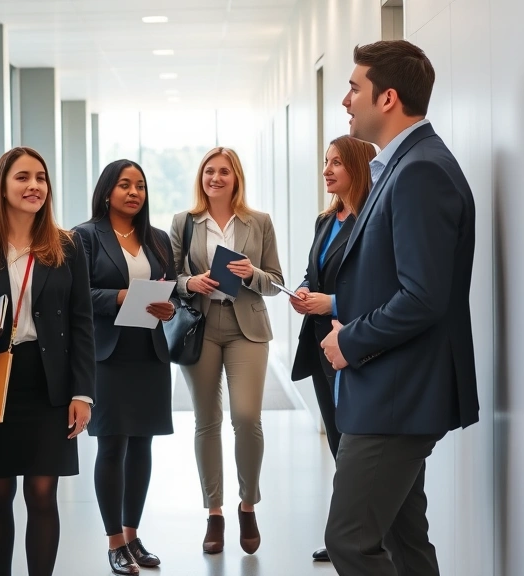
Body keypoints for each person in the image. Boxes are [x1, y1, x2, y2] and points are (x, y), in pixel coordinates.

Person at [320, 40, 479, 576]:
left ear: (387, 98)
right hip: (390, 389)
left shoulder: (420, 171)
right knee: (403, 542)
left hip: (398, 393)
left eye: (354, 87)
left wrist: (350, 338)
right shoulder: (400, 165)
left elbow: (422, 296)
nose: (346, 100)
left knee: (349, 541)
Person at [0, 146, 96, 576]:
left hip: (47, 380)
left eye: (41, 178)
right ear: (2, 185)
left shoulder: (66, 247)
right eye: (23, 177)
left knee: (42, 492)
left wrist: (82, 391)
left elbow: (82, 321)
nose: (34, 186)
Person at [168, 147, 284, 556]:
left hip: (246, 327)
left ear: (236, 178)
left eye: (224, 172)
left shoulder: (259, 223)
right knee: (206, 420)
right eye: (209, 171)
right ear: (201, 177)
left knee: (247, 417)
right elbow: (172, 277)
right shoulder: (183, 222)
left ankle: (247, 504)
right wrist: (190, 283)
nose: (215, 178)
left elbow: (275, 281)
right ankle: (214, 512)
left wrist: (252, 274)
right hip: (200, 326)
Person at [72, 160, 176, 575]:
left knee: (143, 445)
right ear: (107, 191)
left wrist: (168, 309)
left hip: (148, 350)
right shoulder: (84, 236)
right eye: (124, 185)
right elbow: (78, 296)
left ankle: (133, 536)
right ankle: (114, 541)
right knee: (112, 444)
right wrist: (118, 297)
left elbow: (168, 288)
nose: (134, 193)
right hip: (108, 354)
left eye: (140, 186)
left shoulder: (158, 238)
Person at [288, 135, 376, 562]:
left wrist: (333, 303)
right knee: (339, 441)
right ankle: (348, 530)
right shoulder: (327, 219)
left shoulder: (371, 219)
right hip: (322, 345)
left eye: (336, 163)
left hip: (355, 341)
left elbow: (376, 287)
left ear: (357, 167)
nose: (327, 170)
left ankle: (357, 534)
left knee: (358, 445)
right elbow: (313, 273)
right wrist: (304, 291)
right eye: (326, 162)